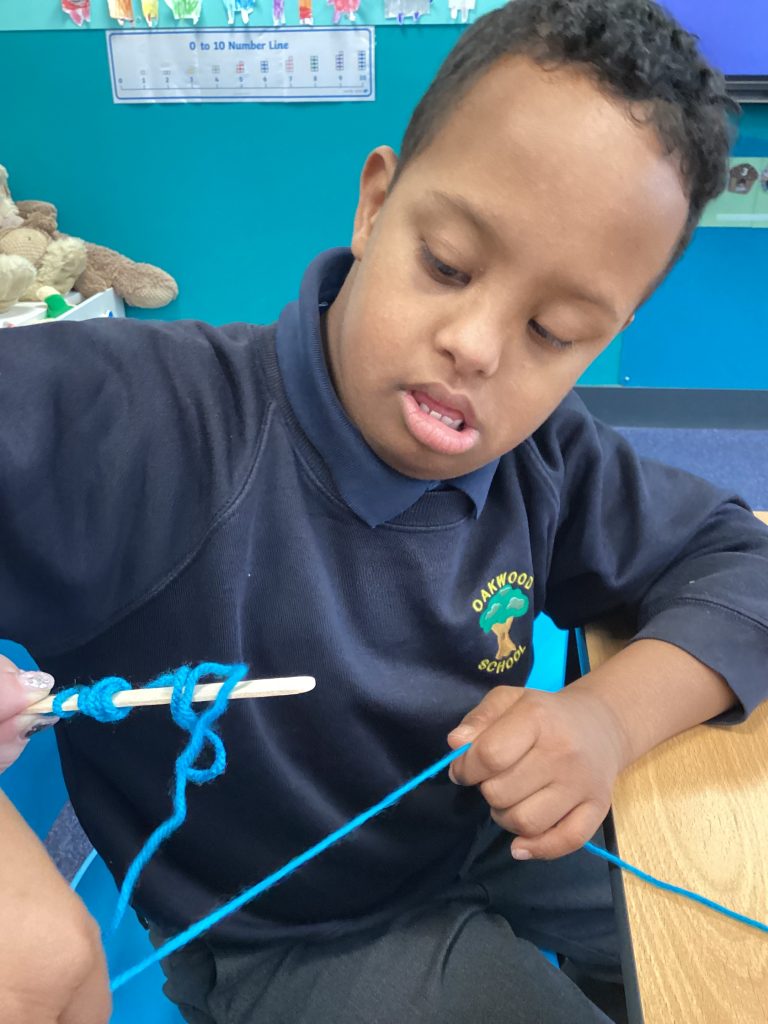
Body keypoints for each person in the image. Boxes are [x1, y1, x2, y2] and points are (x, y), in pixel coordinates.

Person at [2, 1, 767, 1021]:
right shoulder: (151, 423)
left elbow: (739, 561)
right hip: (295, 936)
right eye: (446, 265)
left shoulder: (545, 455)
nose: (477, 346)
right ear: (374, 207)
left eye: (553, 330)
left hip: (480, 829)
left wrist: (604, 719)